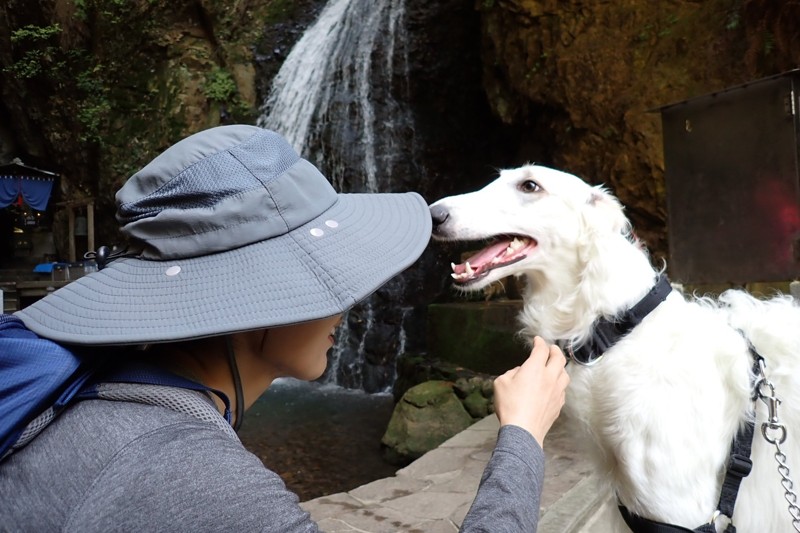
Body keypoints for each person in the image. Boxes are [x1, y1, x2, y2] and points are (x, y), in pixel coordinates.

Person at [0, 125, 569, 532]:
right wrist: (521, 435)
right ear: (252, 297)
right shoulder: (190, 476)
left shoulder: (98, 400)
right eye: (323, 281)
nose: (345, 307)